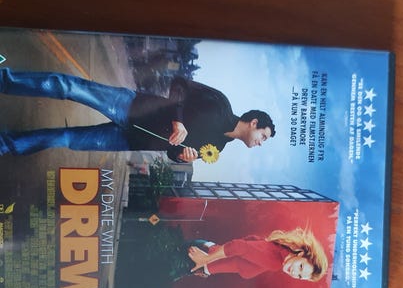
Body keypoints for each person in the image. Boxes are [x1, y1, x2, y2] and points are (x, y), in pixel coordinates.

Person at [0, 68, 275, 162]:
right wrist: (178, 120)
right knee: (68, 88)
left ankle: (5, 144)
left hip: (130, 140)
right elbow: (180, 84)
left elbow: (171, 152)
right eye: (263, 136)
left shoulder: (216, 149)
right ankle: (5, 79)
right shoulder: (220, 104)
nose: (260, 143)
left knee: (63, 139)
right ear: (254, 122)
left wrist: (181, 156)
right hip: (131, 106)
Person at [187, 228, 328, 282]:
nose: (295, 273)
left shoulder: (279, 248)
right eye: (301, 267)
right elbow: (238, 246)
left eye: (300, 276)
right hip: (198, 259)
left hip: (205, 255)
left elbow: (250, 239)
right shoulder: (274, 261)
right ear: (301, 254)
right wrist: (206, 260)